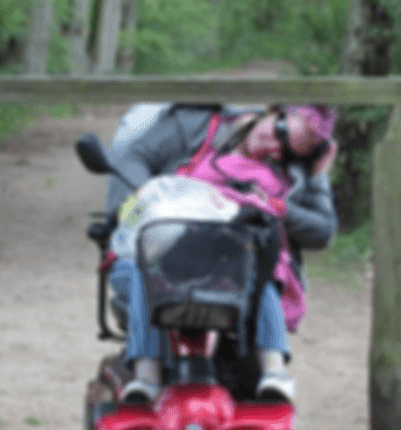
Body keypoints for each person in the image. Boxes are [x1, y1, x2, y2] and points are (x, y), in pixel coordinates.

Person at [103, 103, 338, 403]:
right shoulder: (197, 126)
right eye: (279, 131)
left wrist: (309, 182)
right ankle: (146, 375)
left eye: (285, 150)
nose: (274, 146)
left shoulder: (284, 177)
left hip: (230, 263)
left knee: (263, 275)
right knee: (141, 269)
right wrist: (144, 200)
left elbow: (323, 229)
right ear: (273, 111)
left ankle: (275, 372)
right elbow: (134, 159)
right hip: (163, 248)